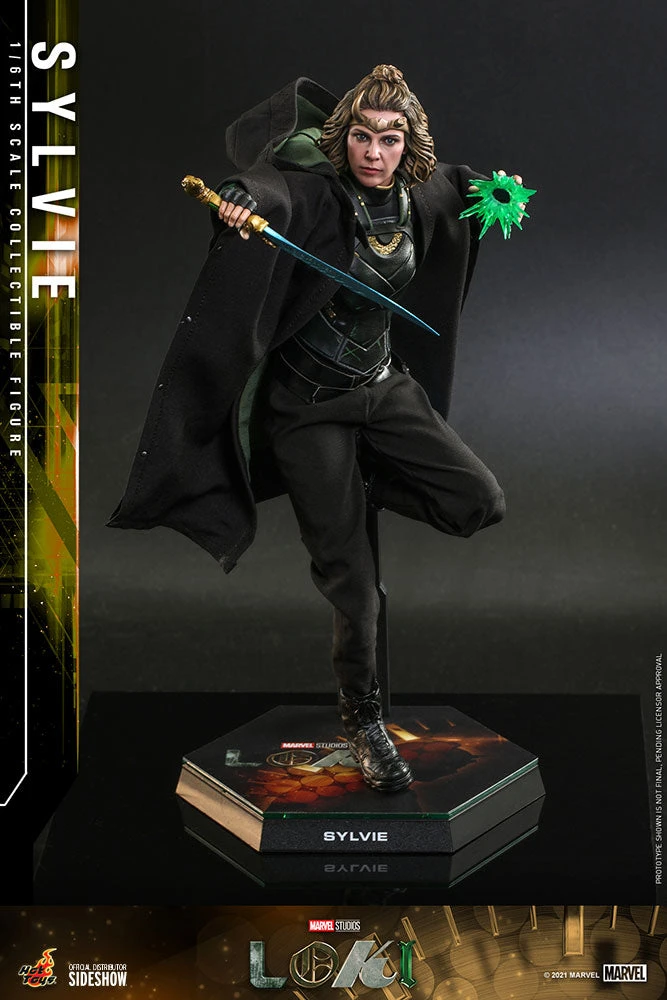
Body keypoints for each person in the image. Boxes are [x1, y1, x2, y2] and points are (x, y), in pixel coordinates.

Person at [109, 65, 522, 793]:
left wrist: (501, 193)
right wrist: (240, 201)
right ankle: (362, 718)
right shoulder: (317, 195)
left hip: (383, 389)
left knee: (478, 502)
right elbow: (272, 190)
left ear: (408, 145)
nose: (374, 152)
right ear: (343, 140)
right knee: (353, 589)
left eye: (389, 138)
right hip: (309, 408)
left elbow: (469, 185)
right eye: (361, 136)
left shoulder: (423, 193)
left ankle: (364, 484)